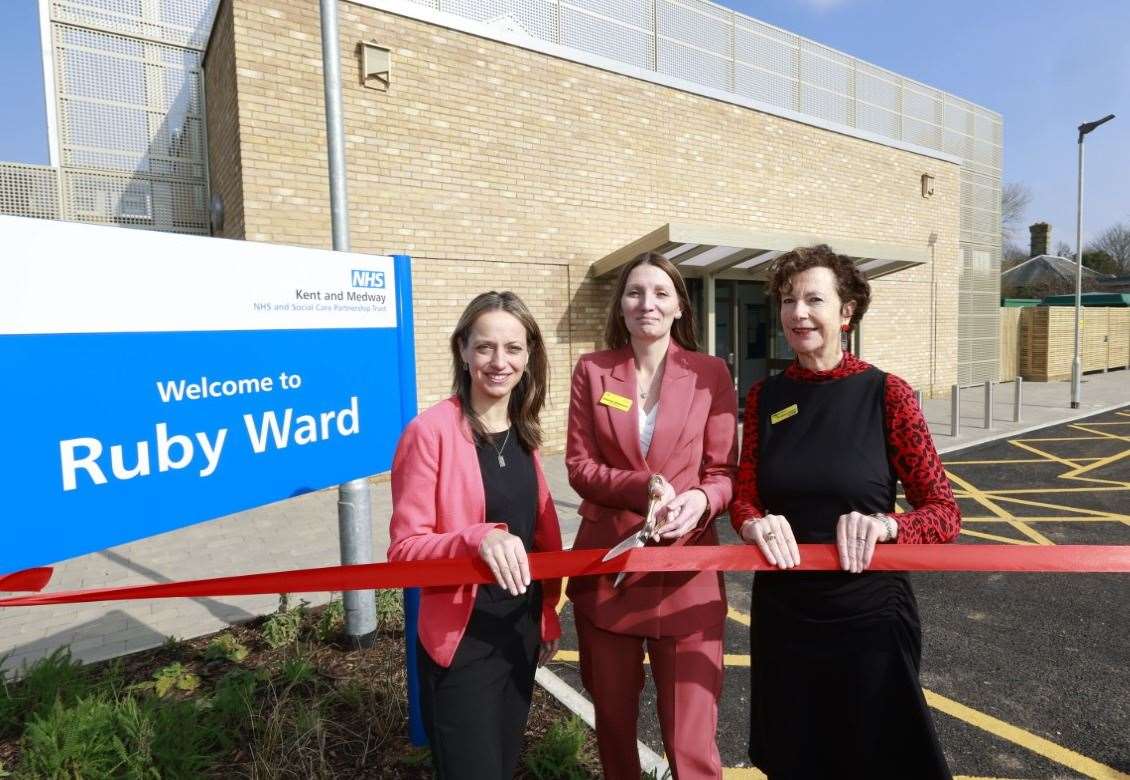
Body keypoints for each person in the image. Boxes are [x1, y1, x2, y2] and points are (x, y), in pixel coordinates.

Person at [731, 244, 960, 779]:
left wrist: (887, 525)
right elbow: (746, 494)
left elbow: (944, 512)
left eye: (814, 299)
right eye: (788, 300)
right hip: (784, 611)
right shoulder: (765, 396)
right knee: (797, 759)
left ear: (847, 311)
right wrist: (751, 522)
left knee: (877, 759)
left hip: (868, 614)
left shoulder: (887, 393)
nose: (799, 312)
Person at [566, 251, 738, 779]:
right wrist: (644, 487)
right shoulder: (593, 371)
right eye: (636, 292)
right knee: (615, 735)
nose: (648, 304)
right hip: (609, 575)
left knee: (692, 748)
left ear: (679, 305)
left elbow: (724, 471)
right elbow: (578, 466)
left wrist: (703, 500)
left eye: (661, 293)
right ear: (621, 305)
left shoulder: (710, 373)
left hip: (685, 577)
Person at [387, 291, 562, 780]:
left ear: (529, 358)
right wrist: (473, 538)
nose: (498, 361)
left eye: (513, 348)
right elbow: (403, 551)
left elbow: (539, 541)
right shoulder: (430, 432)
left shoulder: (523, 430)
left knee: (503, 765)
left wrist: (545, 613)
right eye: (485, 347)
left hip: (518, 634)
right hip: (462, 644)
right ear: (462, 349)